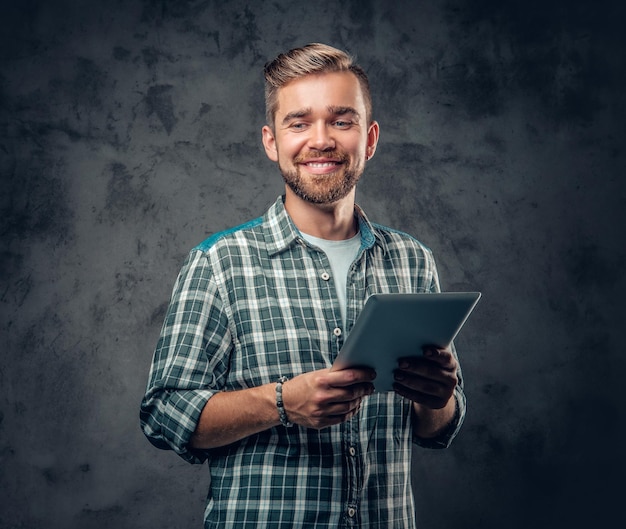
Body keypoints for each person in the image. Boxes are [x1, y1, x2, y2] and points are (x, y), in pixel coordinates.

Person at [140, 43, 466, 528]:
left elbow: (436, 428)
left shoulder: (413, 261)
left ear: (369, 138)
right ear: (272, 142)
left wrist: (437, 397)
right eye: (299, 123)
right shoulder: (220, 263)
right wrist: (280, 403)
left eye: (341, 120)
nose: (321, 140)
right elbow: (164, 414)